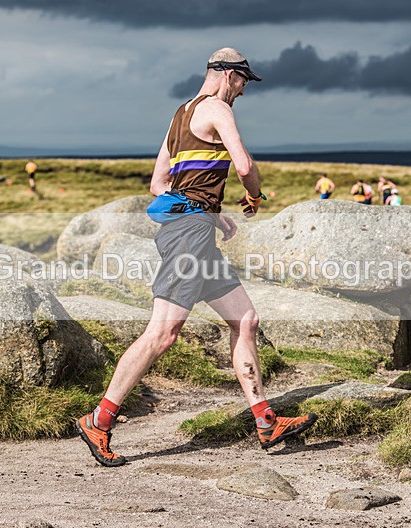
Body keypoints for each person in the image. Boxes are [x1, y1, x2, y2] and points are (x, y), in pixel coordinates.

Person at [76, 48, 317, 467]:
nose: (243, 90)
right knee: (162, 335)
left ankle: (265, 421)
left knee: (246, 320)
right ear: (227, 74)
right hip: (188, 241)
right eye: (243, 80)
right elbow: (243, 164)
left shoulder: (180, 116)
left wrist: (208, 212)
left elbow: (158, 184)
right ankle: (98, 420)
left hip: (195, 234)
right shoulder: (218, 109)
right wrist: (254, 195)